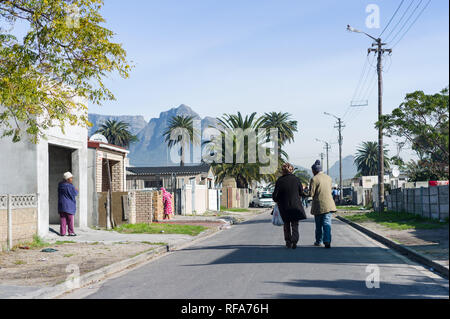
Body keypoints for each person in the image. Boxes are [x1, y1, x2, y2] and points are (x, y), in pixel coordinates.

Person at [272, 163, 307, 249]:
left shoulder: (279, 181)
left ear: (283, 171)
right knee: (295, 225)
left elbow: (275, 195)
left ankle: (288, 241)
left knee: (286, 225)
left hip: (284, 207)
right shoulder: (296, 179)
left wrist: (276, 200)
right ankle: (294, 240)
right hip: (295, 206)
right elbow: (301, 192)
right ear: (292, 170)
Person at [310, 160, 337, 248]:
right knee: (327, 223)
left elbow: (311, 193)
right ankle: (327, 241)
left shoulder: (314, 179)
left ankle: (319, 241)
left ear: (314, 170)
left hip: (319, 205)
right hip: (329, 205)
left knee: (319, 225)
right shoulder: (329, 178)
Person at [58, 172, 78, 236]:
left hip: (61, 205)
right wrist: (76, 190)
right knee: (70, 220)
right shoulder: (70, 186)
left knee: (63, 219)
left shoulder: (60, 185)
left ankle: (62, 233)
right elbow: (74, 194)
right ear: (68, 179)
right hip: (69, 205)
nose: (72, 179)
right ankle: (71, 232)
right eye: (71, 178)